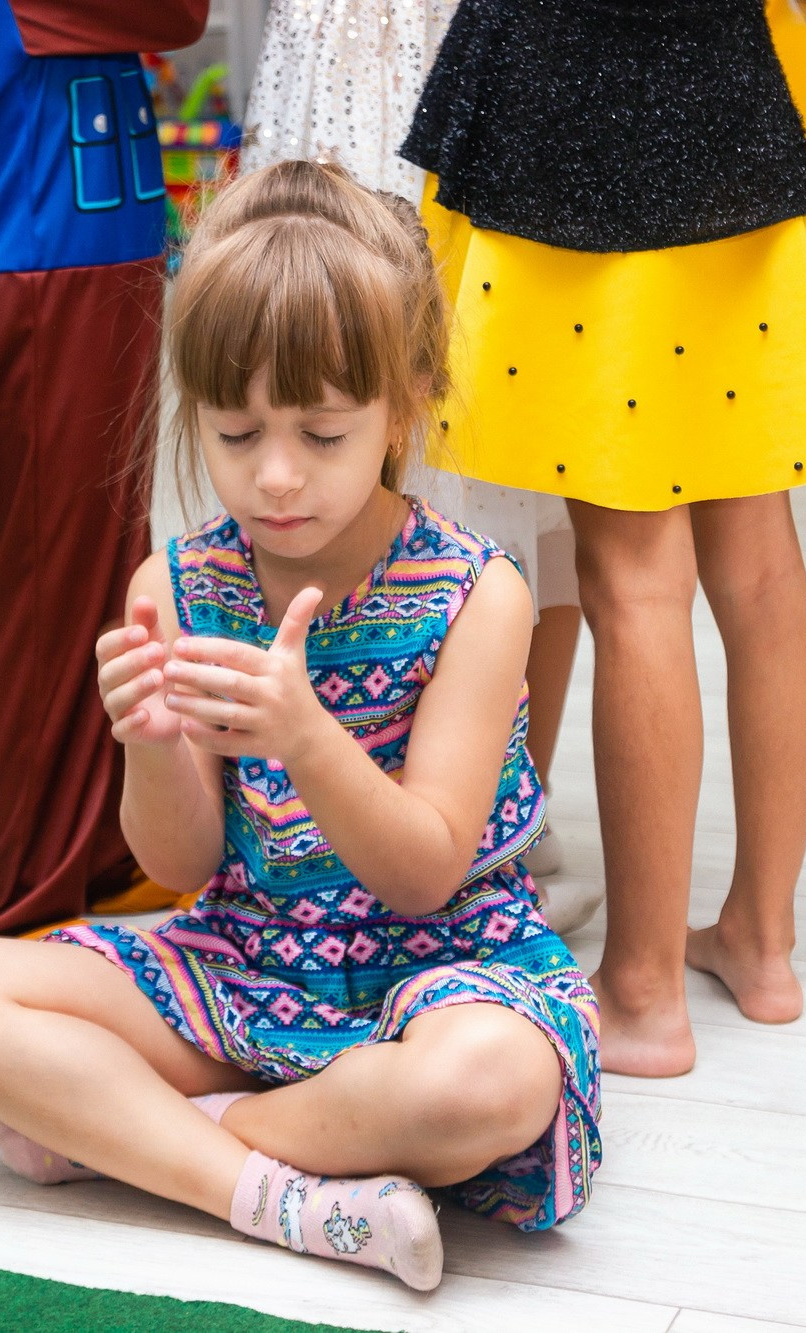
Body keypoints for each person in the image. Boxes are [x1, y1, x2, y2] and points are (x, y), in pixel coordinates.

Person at [0, 161, 600, 1292]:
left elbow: (424, 872)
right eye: (234, 432)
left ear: (405, 401)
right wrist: (143, 735)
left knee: (487, 1086)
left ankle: (160, 1140)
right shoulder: (179, 581)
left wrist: (305, 734)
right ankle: (282, 1196)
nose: (274, 477)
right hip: (241, 960)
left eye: (321, 434)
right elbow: (183, 865)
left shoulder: (479, 592)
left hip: (438, 971)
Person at [400, 0, 806, 1075]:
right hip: (727, 110)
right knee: (759, 565)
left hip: (568, 122)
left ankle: (646, 989)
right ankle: (761, 940)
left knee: (635, 580)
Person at [0, 0, 209, 938]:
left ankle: (101, 849)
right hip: (34, 250)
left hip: (78, 236)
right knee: (39, 587)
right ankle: (20, 895)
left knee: (101, 572)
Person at [238, 0, 586, 898]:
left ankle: (500, 809)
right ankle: (315, 806)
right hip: (349, 63)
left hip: (479, 55)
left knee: (505, 475)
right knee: (322, 401)